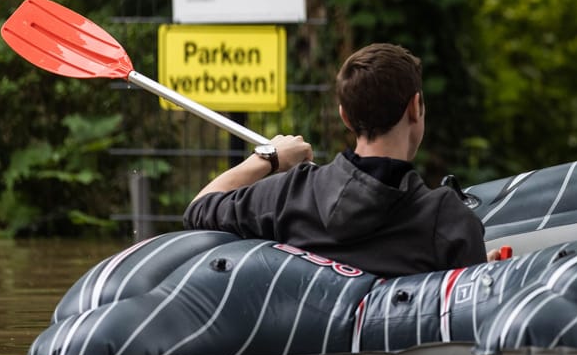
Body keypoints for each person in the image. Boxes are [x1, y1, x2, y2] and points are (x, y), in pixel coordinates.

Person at [184, 43, 495, 277]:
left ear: (345, 116)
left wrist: (271, 158)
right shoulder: (448, 222)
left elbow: (199, 208)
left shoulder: (289, 195)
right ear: (415, 108)